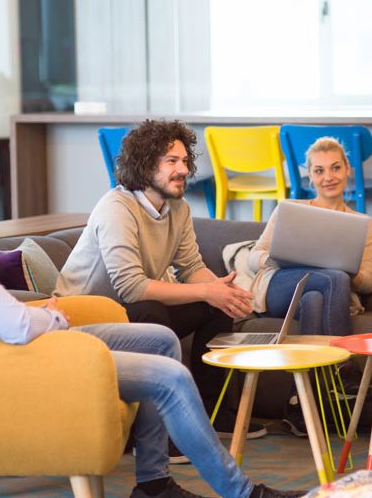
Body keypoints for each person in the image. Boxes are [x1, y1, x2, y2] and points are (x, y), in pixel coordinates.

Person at [0, 129, 302, 498]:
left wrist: (215, 291)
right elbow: (17, 327)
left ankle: (154, 487)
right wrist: (51, 315)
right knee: (170, 377)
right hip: (16, 355)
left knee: (161, 341)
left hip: (20, 342)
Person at [55, 119, 266, 446]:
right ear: (145, 165)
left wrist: (223, 293)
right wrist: (206, 291)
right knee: (151, 309)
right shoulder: (116, 209)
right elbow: (131, 288)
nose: (183, 169)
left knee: (215, 306)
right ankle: (160, 432)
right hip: (85, 320)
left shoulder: (177, 209)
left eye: (185, 161)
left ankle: (215, 413)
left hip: (129, 311)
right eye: (172, 161)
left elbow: (191, 266)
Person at [244, 137, 372, 436]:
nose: (328, 177)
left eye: (335, 168)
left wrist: (345, 267)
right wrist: (278, 255)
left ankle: (299, 405)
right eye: (319, 170)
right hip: (281, 286)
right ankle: (344, 368)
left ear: (347, 169)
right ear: (310, 176)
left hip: (316, 294)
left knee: (316, 298)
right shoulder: (289, 210)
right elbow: (253, 258)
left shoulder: (364, 224)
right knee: (334, 278)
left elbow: (368, 282)